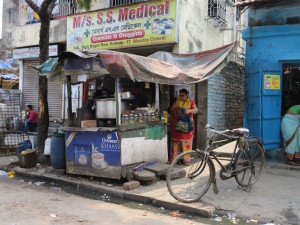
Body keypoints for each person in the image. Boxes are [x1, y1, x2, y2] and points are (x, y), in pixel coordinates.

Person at [170, 89, 198, 165]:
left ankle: (186, 160)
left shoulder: (191, 102)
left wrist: (189, 111)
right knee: (176, 141)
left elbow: (196, 110)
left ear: (187, 94)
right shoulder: (177, 101)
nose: (181, 97)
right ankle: (175, 160)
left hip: (187, 124)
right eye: (180, 95)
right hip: (177, 124)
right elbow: (171, 111)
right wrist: (175, 108)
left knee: (186, 142)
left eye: (183, 95)